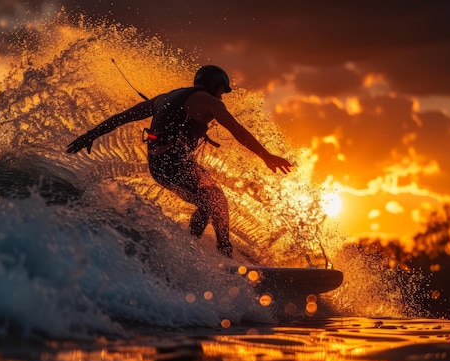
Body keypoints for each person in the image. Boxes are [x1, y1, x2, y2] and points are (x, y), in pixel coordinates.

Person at [67, 65, 292, 257]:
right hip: (174, 164)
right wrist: (266, 156)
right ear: (215, 86)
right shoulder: (209, 101)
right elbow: (237, 130)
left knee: (212, 199)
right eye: (222, 90)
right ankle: (213, 252)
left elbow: (122, 117)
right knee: (213, 200)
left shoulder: (166, 97)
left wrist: (91, 135)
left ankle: (199, 250)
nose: (222, 96)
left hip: (161, 166)